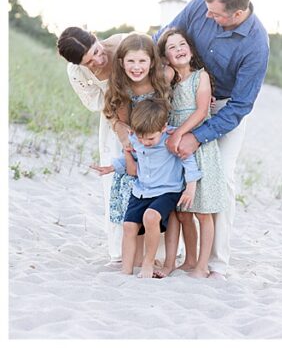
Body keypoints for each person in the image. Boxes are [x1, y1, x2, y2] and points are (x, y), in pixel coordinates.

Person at [155, 0, 270, 279]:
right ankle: (165, 255)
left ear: (237, 13)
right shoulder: (198, 6)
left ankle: (216, 263)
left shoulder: (256, 44)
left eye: (215, 13)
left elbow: (241, 106)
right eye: (207, 9)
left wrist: (198, 136)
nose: (207, 16)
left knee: (222, 179)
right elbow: (164, 37)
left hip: (223, 108)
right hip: (180, 96)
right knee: (167, 171)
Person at [91, 98, 201, 279]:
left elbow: (189, 162)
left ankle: (148, 263)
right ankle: (125, 271)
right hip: (141, 189)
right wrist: (110, 167)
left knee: (150, 217)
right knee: (128, 225)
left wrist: (190, 188)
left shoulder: (172, 139)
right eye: (141, 137)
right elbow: (129, 158)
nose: (145, 142)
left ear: (163, 128)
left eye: (150, 138)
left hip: (167, 191)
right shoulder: (136, 138)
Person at [158, 28, 230, 278]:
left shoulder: (201, 77)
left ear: (190, 48)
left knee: (202, 209)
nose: (179, 49)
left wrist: (179, 134)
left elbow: (201, 112)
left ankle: (202, 265)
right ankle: (188, 260)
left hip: (199, 145)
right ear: (165, 56)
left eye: (182, 44)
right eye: (172, 47)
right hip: (175, 151)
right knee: (182, 211)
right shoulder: (169, 80)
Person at [101, 33, 175, 269]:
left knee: (156, 208)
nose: (136, 67)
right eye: (131, 61)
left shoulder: (164, 79)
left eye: (142, 61)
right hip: (135, 151)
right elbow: (120, 122)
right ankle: (132, 258)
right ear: (121, 62)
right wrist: (126, 143)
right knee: (132, 206)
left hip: (160, 153)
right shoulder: (121, 87)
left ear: (152, 62)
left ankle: (152, 258)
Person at [57, 27, 130, 263]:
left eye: (97, 52)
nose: (98, 61)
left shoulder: (125, 42)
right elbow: (98, 102)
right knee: (116, 183)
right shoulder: (76, 72)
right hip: (112, 122)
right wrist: (120, 127)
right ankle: (122, 250)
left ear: (96, 38)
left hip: (147, 114)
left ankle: (157, 249)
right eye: (89, 62)